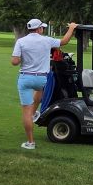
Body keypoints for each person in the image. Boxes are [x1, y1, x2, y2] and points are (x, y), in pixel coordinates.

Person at [11, 18, 78, 150]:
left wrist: (20, 58)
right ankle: (33, 113)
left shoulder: (21, 41)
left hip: (25, 78)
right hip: (41, 78)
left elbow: (14, 62)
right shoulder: (46, 40)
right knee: (39, 89)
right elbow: (64, 41)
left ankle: (30, 142)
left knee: (26, 112)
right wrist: (71, 28)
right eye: (42, 27)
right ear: (39, 29)